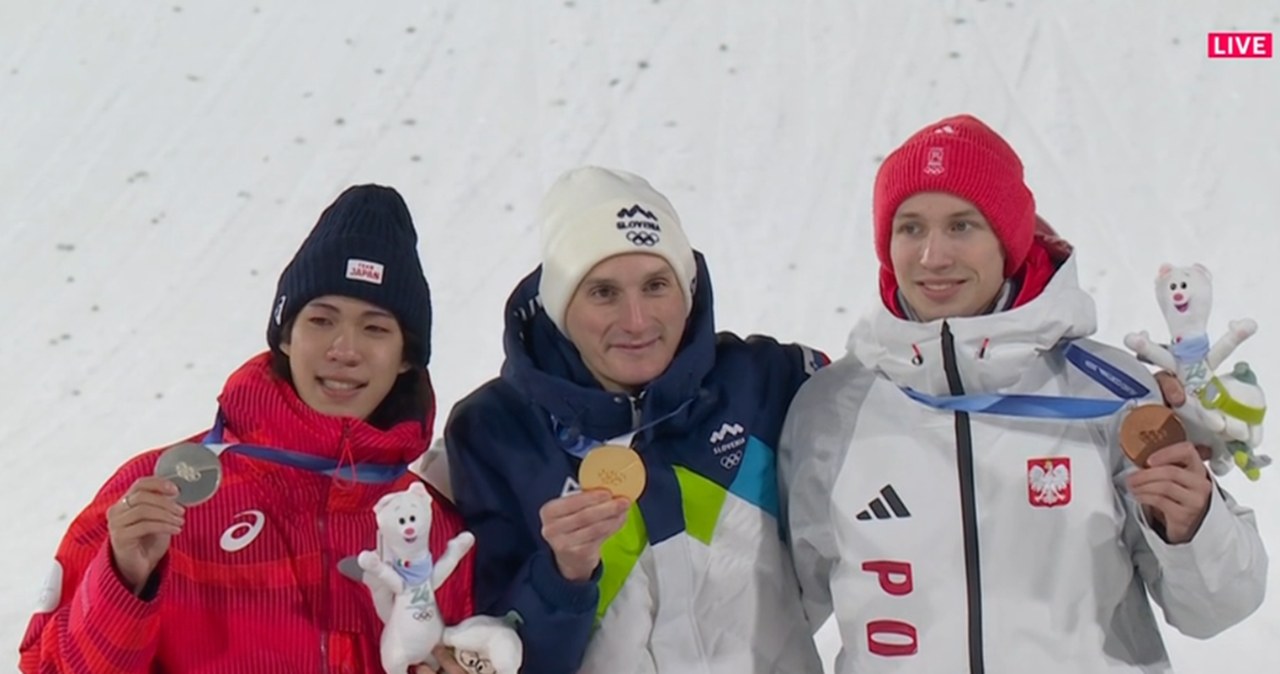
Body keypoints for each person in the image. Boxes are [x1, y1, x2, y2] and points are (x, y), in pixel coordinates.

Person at [779, 114, 1269, 673]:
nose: (933, 257)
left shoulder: (1113, 395)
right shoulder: (832, 409)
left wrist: (1195, 526)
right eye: (910, 227)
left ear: (1008, 239)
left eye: (962, 226)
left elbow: (1221, 607)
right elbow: (775, 617)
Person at [20, 185, 476, 673]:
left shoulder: (432, 529)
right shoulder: (162, 493)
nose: (345, 349)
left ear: (407, 357)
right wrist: (124, 579)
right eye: (321, 320)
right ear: (285, 334)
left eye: (375, 328)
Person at [445, 166, 828, 672]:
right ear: (561, 308)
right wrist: (564, 576)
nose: (637, 321)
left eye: (656, 285)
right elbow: (498, 660)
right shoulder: (495, 433)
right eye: (603, 292)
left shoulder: (764, 382)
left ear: (686, 290)